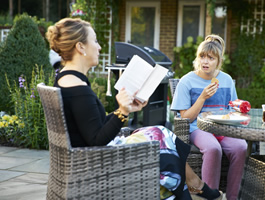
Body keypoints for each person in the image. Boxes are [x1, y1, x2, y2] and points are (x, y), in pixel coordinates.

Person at [46, 18, 223, 200]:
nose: (99, 47)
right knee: (162, 137)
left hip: (84, 157)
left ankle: (192, 185)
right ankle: (193, 186)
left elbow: (91, 126)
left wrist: (126, 110)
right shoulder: (78, 88)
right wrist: (121, 112)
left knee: (160, 133)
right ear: (80, 47)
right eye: (95, 41)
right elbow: (97, 139)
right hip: (95, 162)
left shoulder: (68, 79)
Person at [170, 34, 247, 200]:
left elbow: (232, 108)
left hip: (223, 128)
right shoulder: (187, 81)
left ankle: (233, 197)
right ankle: (210, 196)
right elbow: (186, 118)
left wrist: (239, 111)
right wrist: (202, 97)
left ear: (218, 61)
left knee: (241, 147)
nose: (205, 62)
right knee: (213, 149)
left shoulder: (226, 80)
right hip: (198, 128)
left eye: (210, 58)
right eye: (202, 57)